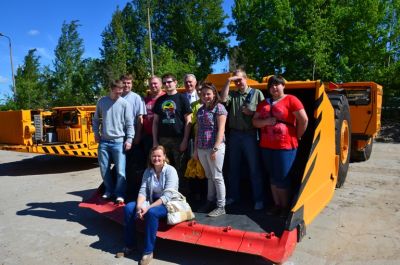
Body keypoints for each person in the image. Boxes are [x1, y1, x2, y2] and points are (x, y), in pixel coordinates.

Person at [252, 75, 308, 216]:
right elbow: (255, 122)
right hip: (266, 146)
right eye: (271, 86)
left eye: (277, 84)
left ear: (283, 85)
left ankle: (285, 207)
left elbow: (304, 119)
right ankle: (277, 205)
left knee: (282, 177)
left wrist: (298, 135)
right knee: (272, 176)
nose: (274, 88)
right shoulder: (264, 103)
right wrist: (266, 122)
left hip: (285, 146)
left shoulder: (291, 100)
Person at [119, 145, 179, 265]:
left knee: (152, 213)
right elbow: (143, 191)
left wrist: (147, 208)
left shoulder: (170, 170)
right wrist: (139, 207)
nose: (156, 158)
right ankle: (130, 245)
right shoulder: (148, 171)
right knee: (128, 208)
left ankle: (148, 251)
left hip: (168, 203)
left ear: (164, 157)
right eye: (154, 156)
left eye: (159, 156)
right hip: (151, 201)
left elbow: (167, 196)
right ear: (150, 158)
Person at [220, 69, 265, 210]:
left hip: (250, 135)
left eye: (240, 79)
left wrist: (252, 113)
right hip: (234, 135)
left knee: (254, 169)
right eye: (236, 80)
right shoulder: (232, 94)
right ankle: (233, 196)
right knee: (233, 168)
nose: (238, 82)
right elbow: (222, 100)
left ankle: (258, 199)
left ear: (246, 79)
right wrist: (228, 81)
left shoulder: (256, 93)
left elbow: (265, 113)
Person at [92, 80, 134, 204]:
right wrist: (96, 133)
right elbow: (95, 120)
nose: (118, 95)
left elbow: (129, 124)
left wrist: (129, 139)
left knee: (121, 171)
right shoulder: (102, 102)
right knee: (104, 169)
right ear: (111, 89)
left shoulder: (124, 104)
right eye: (116, 93)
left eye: (121, 93)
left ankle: (120, 194)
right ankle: (109, 190)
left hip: (119, 142)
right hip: (104, 142)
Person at [194, 83, 228, 217]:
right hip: (202, 147)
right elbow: (198, 130)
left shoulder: (219, 108)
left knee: (217, 176)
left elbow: (221, 129)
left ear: (214, 94)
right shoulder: (201, 110)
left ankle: (221, 206)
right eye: (203, 94)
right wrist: (196, 149)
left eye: (208, 94)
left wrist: (215, 148)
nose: (206, 96)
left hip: (214, 147)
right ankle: (210, 201)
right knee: (209, 176)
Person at [152, 73, 192, 179]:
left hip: (179, 139)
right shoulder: (160, 100)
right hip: (163, 140)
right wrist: (155, 141)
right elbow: (155, 122)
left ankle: (180, 194)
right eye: (164, 82)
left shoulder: (182, 98)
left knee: (180, 169)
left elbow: (188, 121)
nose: (167, 84)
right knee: (163, 168)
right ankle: (166, 193)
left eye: (169, 82)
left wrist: (185, 140)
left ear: (175, 82)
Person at [121, 74, 147, 198]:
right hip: (118, 136)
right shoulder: (116, 96)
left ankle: (133, 192)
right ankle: (121, 190)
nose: (127, 85)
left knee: (133, 166)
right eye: (124, 83)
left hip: (132, 136)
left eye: (129, 83)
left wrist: (137, 136)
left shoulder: (136, 98)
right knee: (121, 165)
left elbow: (140, 118)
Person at [142, 75, 166, 160]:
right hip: (147, 135)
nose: (153, 86)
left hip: (162, 135)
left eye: (155, 83)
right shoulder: (145, 100)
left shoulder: (165, 98)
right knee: (149, 160)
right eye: (151, 84)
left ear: (161, 84)